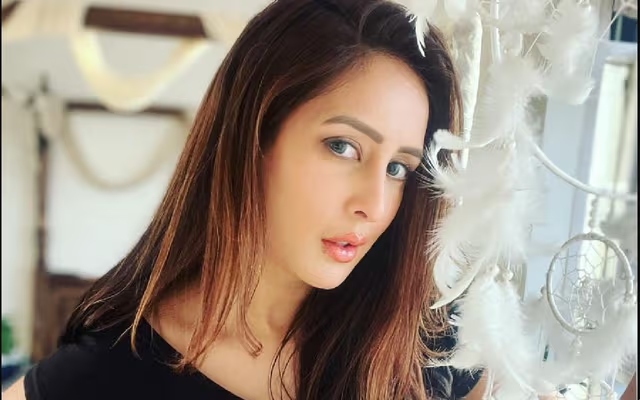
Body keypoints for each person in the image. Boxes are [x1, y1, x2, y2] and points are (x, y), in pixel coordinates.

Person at [4, 0, 485, 398]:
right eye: (343, 147)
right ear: (253, 139)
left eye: (398, 168)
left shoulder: (436, 342)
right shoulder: (106, 373)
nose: (375, 206)